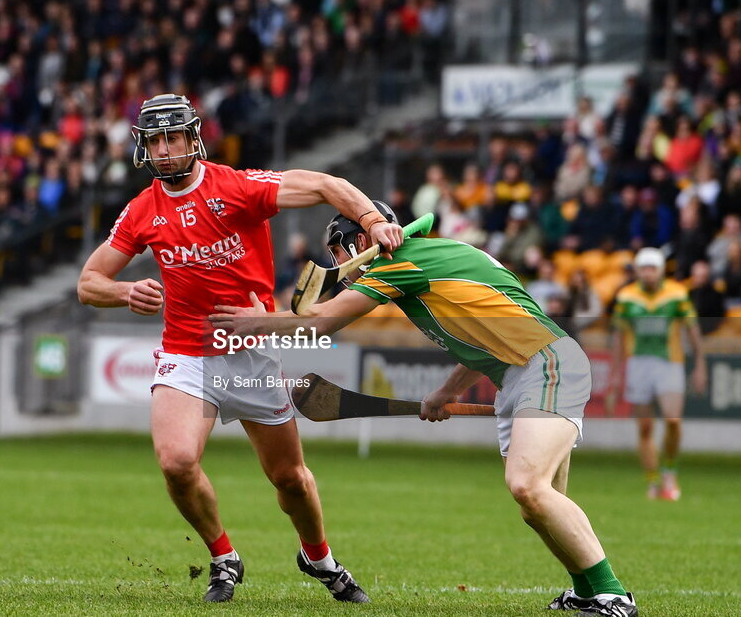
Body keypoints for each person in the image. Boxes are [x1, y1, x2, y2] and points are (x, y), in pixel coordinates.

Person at [211, 204, 638, 617]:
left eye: (338, 252)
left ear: (360, 240)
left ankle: (614, 596)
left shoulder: (402, 262)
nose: (338, 264)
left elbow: (322, 322)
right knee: (539, 503)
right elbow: (483, 337)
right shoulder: (433, 259)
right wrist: (444, 391)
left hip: (546, 365)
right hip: (520, 372)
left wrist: (259, 322)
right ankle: (585, 592)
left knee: (528, 486)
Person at [77, 94, 403, 603]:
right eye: (155, 140)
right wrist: (124, 291)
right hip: (186, 353)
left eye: (174, 137)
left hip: (251, 354)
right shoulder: (142, 210)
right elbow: (89, 281)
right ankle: (224, 557)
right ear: (144, 148)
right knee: (176, 461)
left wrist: (370, 220)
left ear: (193, 138)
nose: (165, 150)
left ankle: (318, 557)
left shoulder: (237, 187)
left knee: (289, 478)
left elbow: (324, 184)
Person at [606, 247, 706, 502]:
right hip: (638, 364)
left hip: (669, 363)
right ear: (637, 271)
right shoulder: (627, 297)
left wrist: (700, 365)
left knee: (673, 421)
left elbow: (693, 330)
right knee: (646, 427)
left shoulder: (677, 293)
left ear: (661, 270)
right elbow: (617, 337)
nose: (648, 274)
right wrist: (615, 376)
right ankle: (652, 481)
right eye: (644, 268)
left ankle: (669, 471)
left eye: (653, 268)